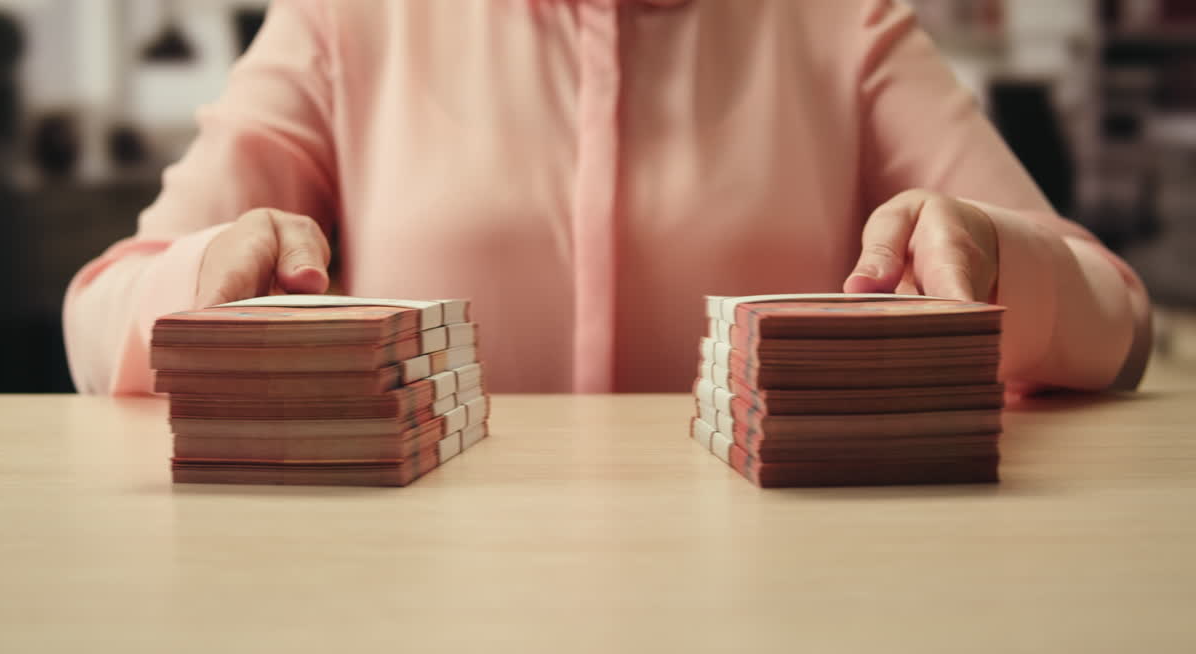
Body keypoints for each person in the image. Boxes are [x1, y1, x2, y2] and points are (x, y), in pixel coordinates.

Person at [63, 0, 1151, 395]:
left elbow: (1115, 315)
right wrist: (211, 272)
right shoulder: (347, 19)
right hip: (409, 614)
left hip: (790, 610)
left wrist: (993, 257)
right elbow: (98, 315)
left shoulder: (839, 22)